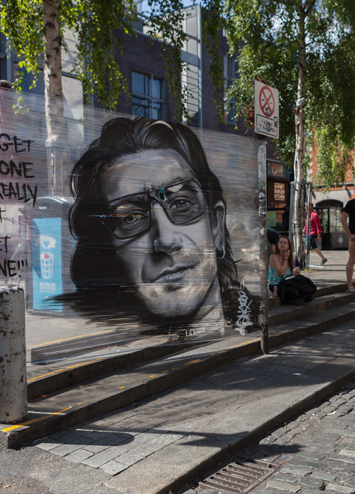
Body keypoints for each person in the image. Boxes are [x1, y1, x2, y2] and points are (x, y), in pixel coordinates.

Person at [62, 117, 257, 336]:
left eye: (181, 204)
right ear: (107, 252)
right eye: (131, 217)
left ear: (216, 226)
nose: (166, 240)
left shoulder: (253, 315)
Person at [268, 235, 303, 305]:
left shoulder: (290, 257)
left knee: (302, 286)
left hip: (287, 283)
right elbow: (281, 272)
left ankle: (295, 300)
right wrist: (285, 259)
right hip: (276, 285)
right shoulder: (273, 257)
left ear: (288, 246)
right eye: (280, 242)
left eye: (285, 243)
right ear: (277, 245)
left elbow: (289, 274)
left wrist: (296, 272)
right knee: (294, 292)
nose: (282, 244)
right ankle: (291, 300)